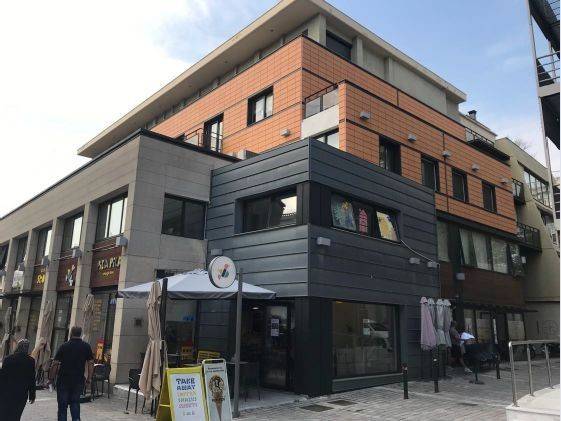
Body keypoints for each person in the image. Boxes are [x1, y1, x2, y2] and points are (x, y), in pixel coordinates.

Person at [51, 326, 94, 421]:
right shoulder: (86, 346)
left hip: (63, 380)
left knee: (62, 406)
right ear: (81, 334)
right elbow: (91, 363)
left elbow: (55, 363)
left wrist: (51, 378)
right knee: (75, 403)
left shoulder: (64, 346)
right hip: (78, 380)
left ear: (71, 333)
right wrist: (89, 378)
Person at [0, 339, 36, 421]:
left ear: (18, 347)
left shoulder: (8, 359)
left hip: (6, 393)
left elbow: (2, 377)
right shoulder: (31, 361)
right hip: (21, 394)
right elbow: (32, 379)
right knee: (16, 415)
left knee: (3, 414)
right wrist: (32, 395)